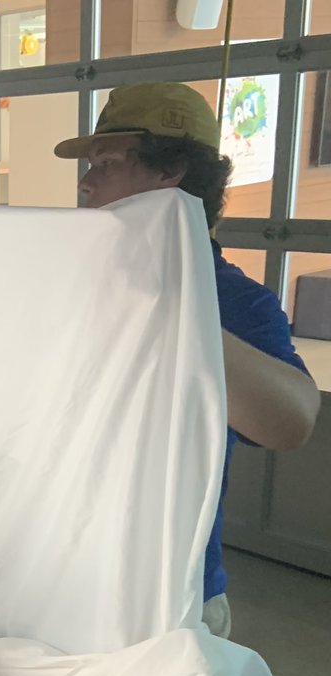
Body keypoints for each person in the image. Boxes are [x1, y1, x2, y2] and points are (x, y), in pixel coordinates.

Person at [54, 82, 320, 637]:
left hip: (172, 596)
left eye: (105, 163)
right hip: (59, 574)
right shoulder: (68, 279)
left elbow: (291, 423)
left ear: (169, 170)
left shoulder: (230, 300)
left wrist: (172, 304)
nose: (85, 182)